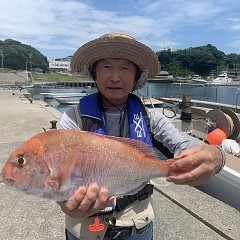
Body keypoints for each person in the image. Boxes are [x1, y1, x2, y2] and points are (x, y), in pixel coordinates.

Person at [59, 33, 225, 240]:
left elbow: (182, 144)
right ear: (94, 73)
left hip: (137, 223)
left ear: (136, 77)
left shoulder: (150, 117)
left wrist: (216, 154)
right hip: (83, 227)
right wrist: (65, 203)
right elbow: (59, 171)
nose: (115, 77)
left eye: (125, 68)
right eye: (107, 67)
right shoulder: (73, 118)